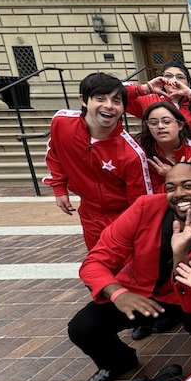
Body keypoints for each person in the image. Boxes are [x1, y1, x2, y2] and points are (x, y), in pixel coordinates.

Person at [67, 162, 191, 381]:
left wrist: (180, 253)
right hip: (138, 293)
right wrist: (117, 293)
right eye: (171, 187)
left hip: (188, 297)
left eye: (188, 185)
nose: (179, 193)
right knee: (82, 327)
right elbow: (95, 261)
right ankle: (118, 362)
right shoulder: (144, 208)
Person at [44, 72, 154, 250]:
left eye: (116, 101)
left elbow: (142, 203)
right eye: (100, 98)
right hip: (89, 212)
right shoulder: (61, 122)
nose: (109, 106)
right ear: (83, 100)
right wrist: (59, 187)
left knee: (125, 270)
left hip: (123, 216)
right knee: (97, 265)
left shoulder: (132, 153)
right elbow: (54, 152)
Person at [136, 101, 191, 189]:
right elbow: (151, 193)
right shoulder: (144, 156)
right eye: (153, 123)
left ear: (180, 125)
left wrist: (172, 174)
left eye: (166, 122)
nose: (160, 126)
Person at [125, 61, 191, 134]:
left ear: (188, 83)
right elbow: (115, 92)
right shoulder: (149, 100)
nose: (174, 80)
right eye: (168, 76)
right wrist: (143, 88)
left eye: (180, 77)